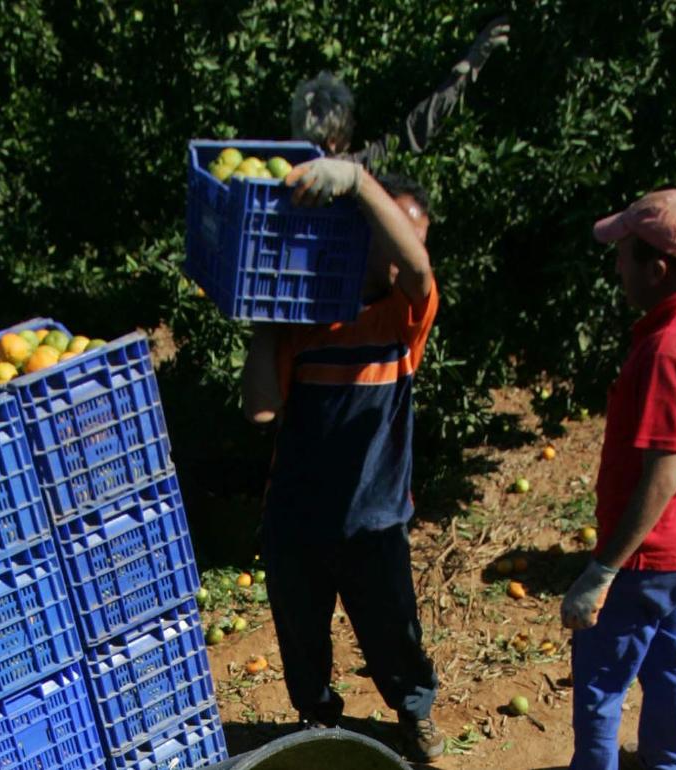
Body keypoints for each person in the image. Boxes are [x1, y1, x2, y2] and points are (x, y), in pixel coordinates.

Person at [240, 157, 443, 763]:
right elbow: (259, 411)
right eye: (390, 231)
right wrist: (266, 328)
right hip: (297, 517)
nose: (400, 252)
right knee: (303, 638)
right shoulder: (308, 321)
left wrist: (356, 179)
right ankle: (318, 720)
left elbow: (416, 268)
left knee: (391, 635)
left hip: (374, 522)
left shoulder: (402, 322)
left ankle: (413, 714)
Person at [561, 189, 676, 770]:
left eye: (624, 256)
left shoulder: (669, 349)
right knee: (671, 665)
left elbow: (661, 479)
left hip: (649, 559)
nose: (617, 267)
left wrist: (603, 569)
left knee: (599, 688)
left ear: (656, 267)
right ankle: (668, 763)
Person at [290, 16, 510, 167]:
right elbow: (414, 131)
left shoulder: (287, 174)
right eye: (349, 124)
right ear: (333, 141)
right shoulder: (353, 171)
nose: (354, 126)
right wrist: (464, 73)